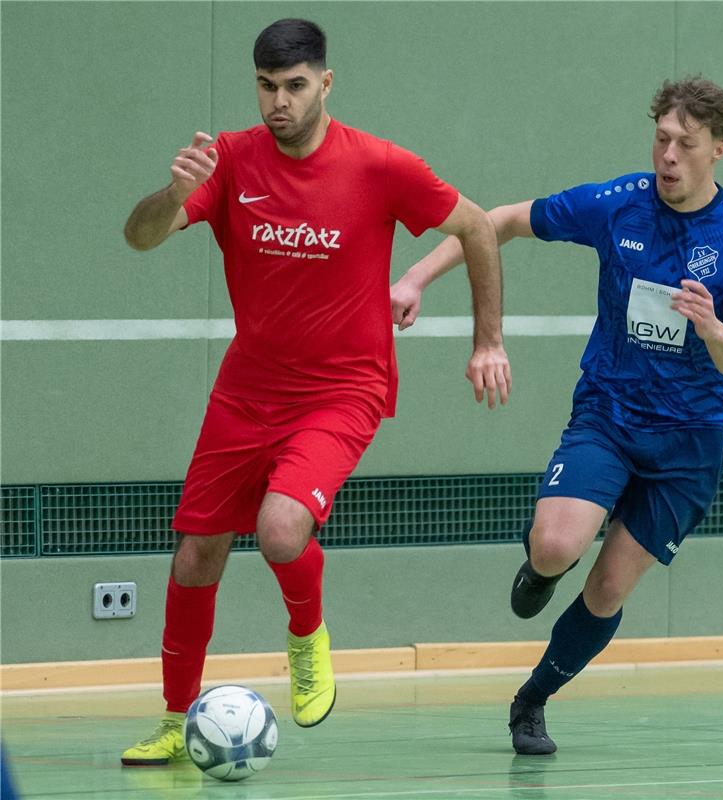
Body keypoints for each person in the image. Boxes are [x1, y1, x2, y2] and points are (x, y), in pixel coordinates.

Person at [120, 18, 511, 766]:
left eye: (295, 87)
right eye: (267, 87)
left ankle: (307, 638)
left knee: (279, 530)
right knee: (196, 552)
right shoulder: (230, 160)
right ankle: (175, 722)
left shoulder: (379, 165)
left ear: (324, 83)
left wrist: (487, 340)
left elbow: (476, 228)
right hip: (245, 390)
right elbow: (140, 237)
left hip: (343, 389)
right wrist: (172, 195)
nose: (280, 103)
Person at [390, 76, 723, 755]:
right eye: (661, 139)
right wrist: (417, 276)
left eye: (687, 144)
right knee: (558, 546)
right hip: (610, 415)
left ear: (720, 149)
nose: (669, 156)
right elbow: (497, 220)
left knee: (607, 585)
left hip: (692, 440)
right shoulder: (616, 205)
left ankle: (531, 699)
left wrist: (713, 330)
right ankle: (539, 567)